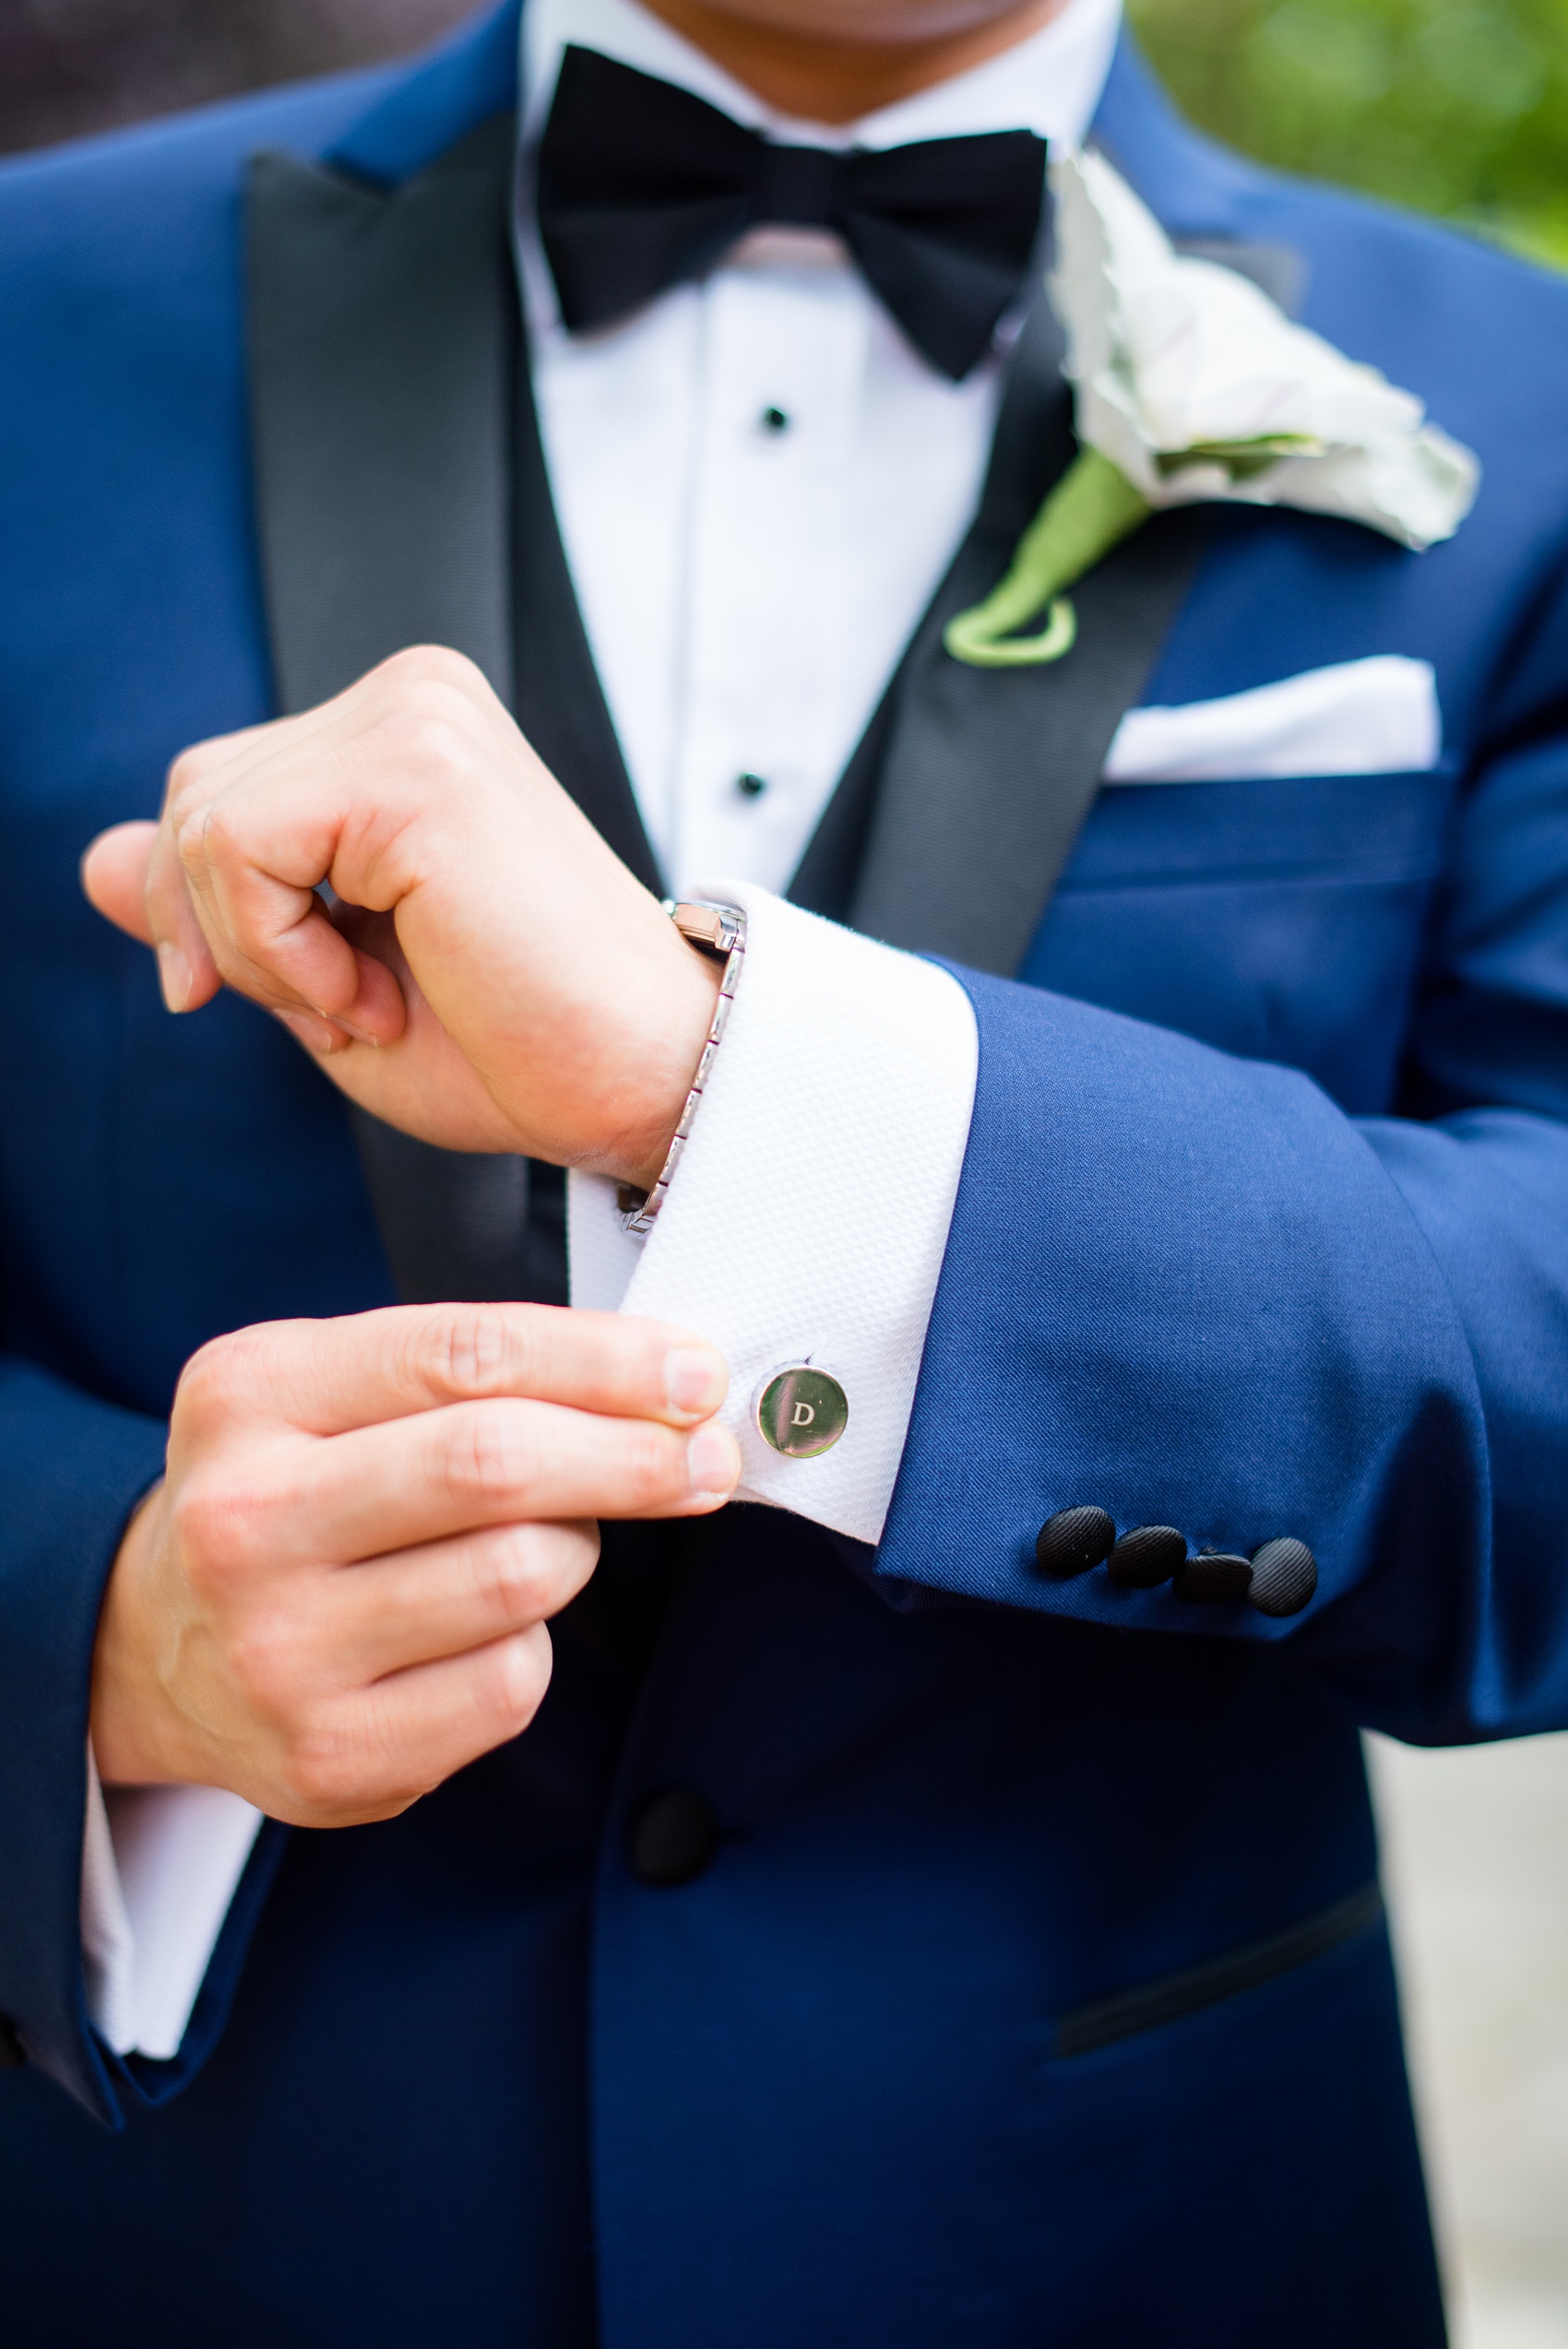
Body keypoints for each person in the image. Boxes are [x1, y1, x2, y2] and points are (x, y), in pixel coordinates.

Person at [1, 0, 1566, 2340]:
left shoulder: (1523, 399)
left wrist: (718, 1077)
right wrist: (90, 1622)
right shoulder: (30, 318)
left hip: (1122, 2229)